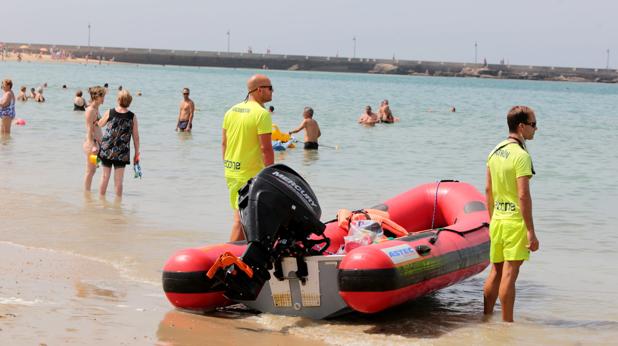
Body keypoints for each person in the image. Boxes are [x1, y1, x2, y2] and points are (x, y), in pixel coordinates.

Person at [483, 105, 539, 323]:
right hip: (515, 222)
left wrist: (491, 220)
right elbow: (523, 195)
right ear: (522, 126)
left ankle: (486, 320)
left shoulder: (494, 151)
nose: (536, 129)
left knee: (495, 272)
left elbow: (488, 190)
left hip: (497, 220)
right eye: (533, 124)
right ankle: (507, 326)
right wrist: (531, 231)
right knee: (509, 274)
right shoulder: (521, 155)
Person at [222, 74, 274, 241]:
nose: (272, 91)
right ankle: (226, 260)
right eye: (270, 88)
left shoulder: (231, 111)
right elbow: (265, 148)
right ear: (259, 90)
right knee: (240, 221)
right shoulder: (262, 114)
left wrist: (229, 165)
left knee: (244, 220)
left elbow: (224, 143)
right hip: (250, 175)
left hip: (231, 171)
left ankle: (238, 260)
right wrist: (271, 175)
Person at [98, 90, 140, 197]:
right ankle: (118, 206)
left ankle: (100, 201)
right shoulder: (132, 116)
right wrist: (137, 153)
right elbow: (136, 137)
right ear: (129, 102)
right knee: (119, 180)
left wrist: (96, 118)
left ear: (118, 100)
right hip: (122, 152)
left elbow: (101, 124)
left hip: (107, 149)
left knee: (104, 176)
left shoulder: (110, 112)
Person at [82, 86, 106, 191]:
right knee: (90, 170)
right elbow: (89, 129)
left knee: (94, 169)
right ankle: (87, 193)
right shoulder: (90, 110)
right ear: (96, 97)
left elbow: (98, 125)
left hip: (97, 144)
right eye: (102, 96)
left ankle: (88, 192)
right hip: (93, 144)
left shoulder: (96, 109)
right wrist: (92, 145)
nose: (104, 99)